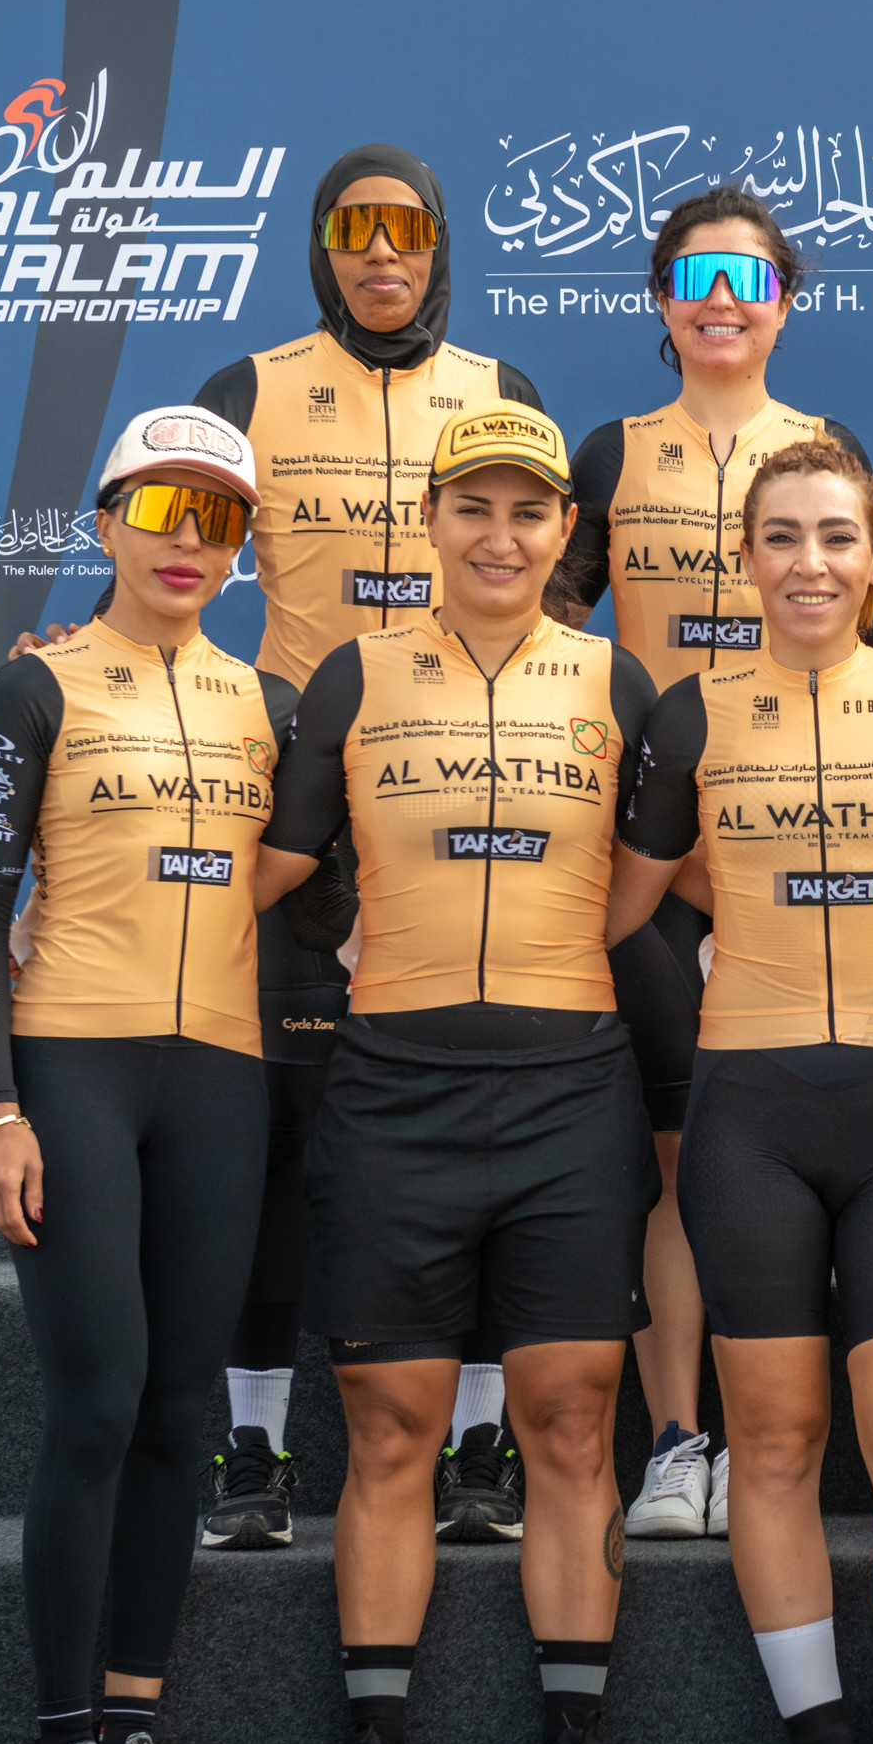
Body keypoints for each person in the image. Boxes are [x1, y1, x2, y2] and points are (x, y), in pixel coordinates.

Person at [252, 403, 661, 1744]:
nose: (500, 537)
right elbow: (277, 863)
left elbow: (657, 873)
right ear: (428, 520)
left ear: (566, 532)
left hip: (570, 1087)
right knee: (389, 1429)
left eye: (528, 512)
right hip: (395, 1087)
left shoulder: (615, 679)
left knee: (571, 1420)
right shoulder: (356, 675)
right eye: (473, 508)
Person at [607, 435, 873, 1744]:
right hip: (751, 1112)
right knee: (773, 1441)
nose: (810, 564)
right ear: (746, 557)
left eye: (838, 537)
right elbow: (615, 906)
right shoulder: (691, 716)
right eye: (781, 537)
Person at [190, 143, 549, 1553]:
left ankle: (478, 1446)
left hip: (461, 774)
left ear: (440, 242)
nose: (382, 252)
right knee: (283, 1139)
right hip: (296, 782)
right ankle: (253, 1450)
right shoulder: (251, 387)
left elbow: (541, 586)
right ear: (322, 247)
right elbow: (164, 561)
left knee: (477, 1121)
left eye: (407, 227)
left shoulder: (499, 389)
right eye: (355, 229)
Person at [0, 407, 288, 1744]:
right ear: (105, 525)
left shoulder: (262, 698)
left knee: (177, 1417)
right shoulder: (38, 681)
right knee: (97, 1405)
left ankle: (136, 1734)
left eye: (218, 518)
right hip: (73, 1065)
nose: (186, 541)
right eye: (159, 509)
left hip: (220, 1075)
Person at [560, 187, 872, 1544]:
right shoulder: (611, 453)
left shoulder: (829, 454)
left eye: (750, 277)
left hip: (794, 844)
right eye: (696, 276)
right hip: (650, 847)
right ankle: (680, 1439)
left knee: (777, 1146)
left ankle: (764, 1440)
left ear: (787, 302)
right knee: (678, 1153)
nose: (724, 300)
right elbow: (538, 620)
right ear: (661, 300)